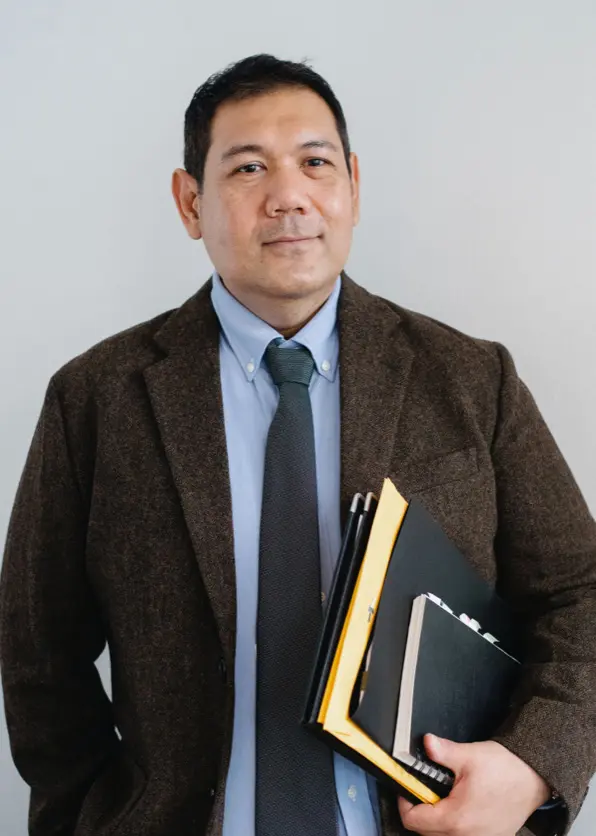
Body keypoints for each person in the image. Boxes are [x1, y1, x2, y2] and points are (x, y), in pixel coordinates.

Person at [1, 53, 595, 836]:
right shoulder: (96, 399)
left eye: (315, 162)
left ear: (353, 185)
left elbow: (579, 593)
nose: (289, 196)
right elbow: (38, 650)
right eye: (248, 168)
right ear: (190, 202)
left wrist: (532, 764)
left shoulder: (471, 379)